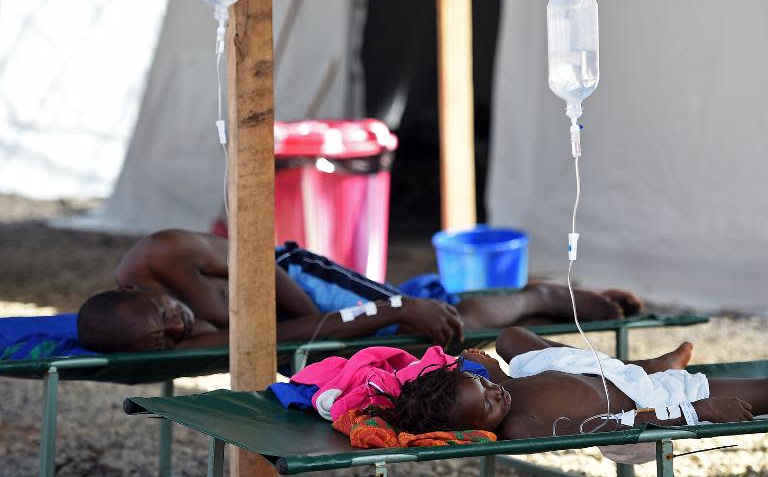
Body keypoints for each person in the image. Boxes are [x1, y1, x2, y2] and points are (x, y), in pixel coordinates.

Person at [77, 229, 643, 352]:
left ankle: (540, 296)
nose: (176, 324)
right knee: (414, 323)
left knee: (434, 313)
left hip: (290, 276)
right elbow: (286, 338)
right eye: (166, 336)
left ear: (131, 289)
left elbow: (252, 260)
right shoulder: (179, 339)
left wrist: (384, 308)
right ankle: (527, 303)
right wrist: (383, 314)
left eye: (164, 312)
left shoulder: (160, 254)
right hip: (287, 317)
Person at [390, 327, 765, 450]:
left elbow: (489, 386)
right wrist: (701, 412)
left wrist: (490, 373)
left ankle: (648, 365)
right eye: (487, 406)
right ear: (473, 428)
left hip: (616, 375)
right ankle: (654, 369)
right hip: (655, 399)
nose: (495, 394)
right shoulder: (521, 426)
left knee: (510, 338)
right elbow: (612, 426)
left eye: (481, 384)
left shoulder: (499, 387)